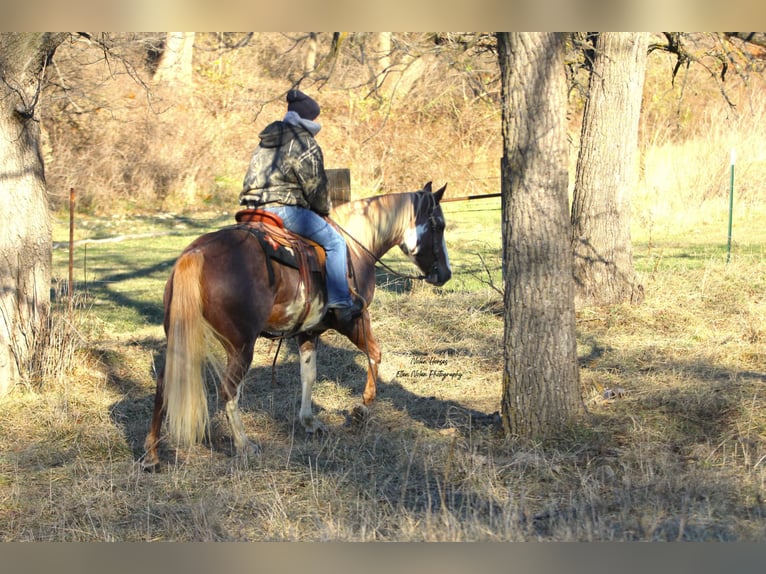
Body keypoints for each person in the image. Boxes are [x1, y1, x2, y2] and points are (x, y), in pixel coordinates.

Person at [240, 89, 364, 325]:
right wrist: (325, 209)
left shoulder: (267, 140)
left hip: (251, 210)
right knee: (336, 242)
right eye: (315, 118)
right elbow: (315, 189)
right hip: (283, 210)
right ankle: (340, 302)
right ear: (309, 120)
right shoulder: (304, 143)